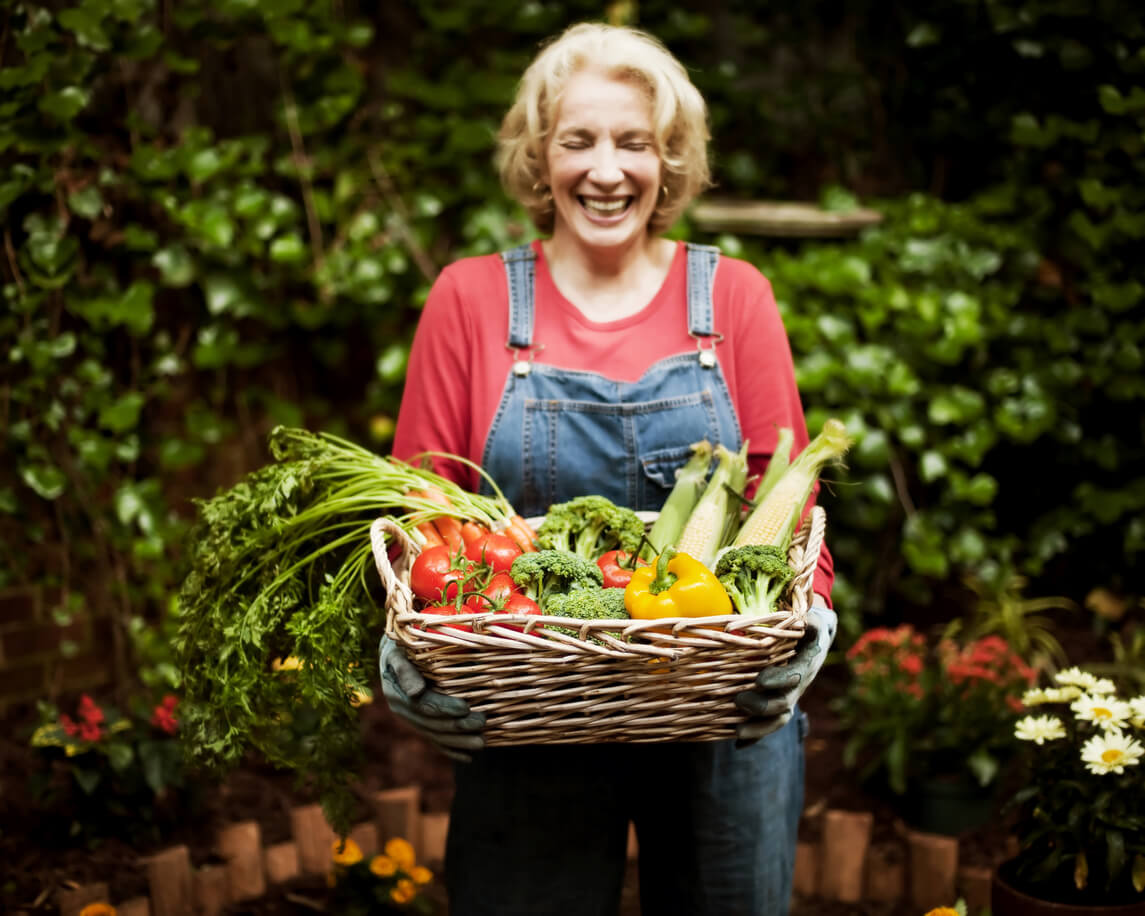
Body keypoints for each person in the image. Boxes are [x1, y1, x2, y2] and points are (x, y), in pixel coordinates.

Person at [380, 21, 837, 916]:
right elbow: (419, 509)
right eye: (577, 140)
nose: (605, 169)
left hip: (718, 703)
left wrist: (809, 617)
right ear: (537, 157)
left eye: (634, 143)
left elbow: (787, 500)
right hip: (528, 705)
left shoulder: (733, 296)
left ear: (668, 163)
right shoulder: (470, 299)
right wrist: (403, 645)